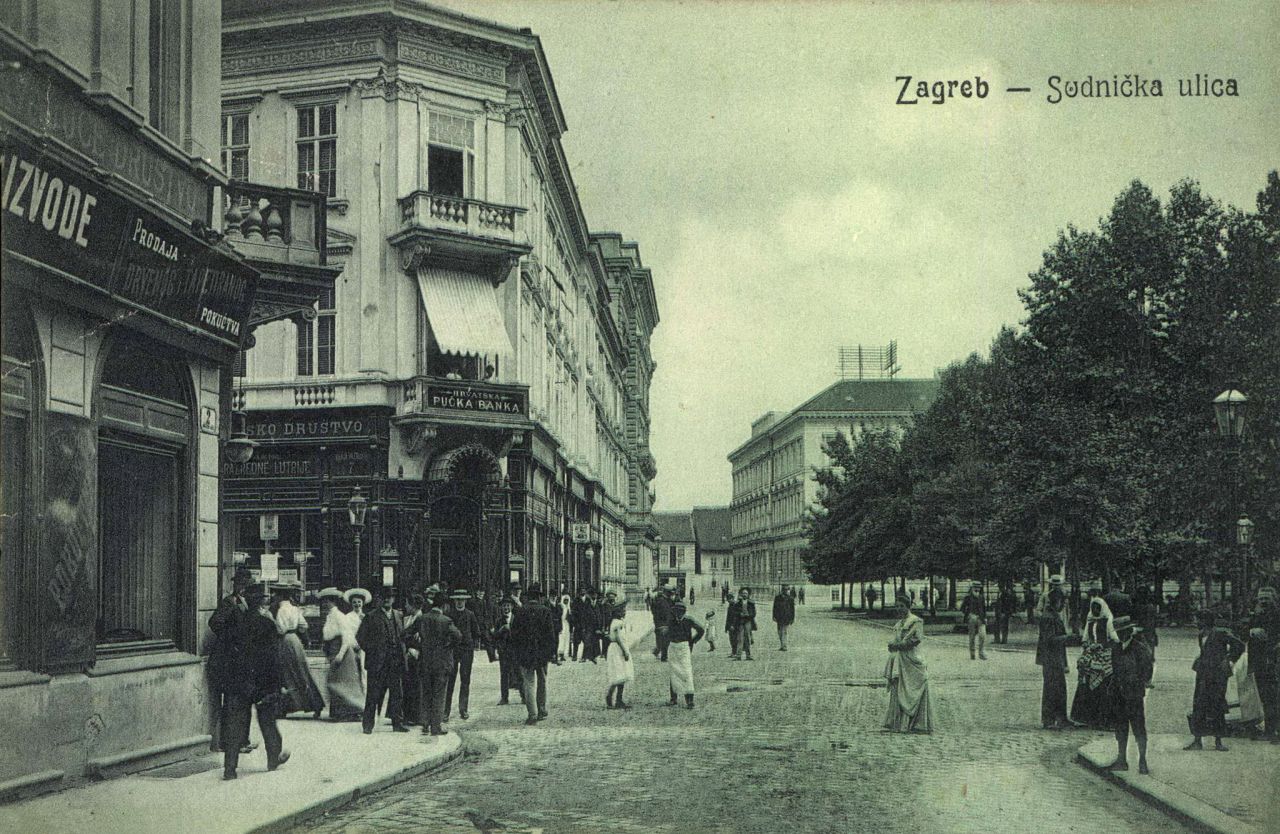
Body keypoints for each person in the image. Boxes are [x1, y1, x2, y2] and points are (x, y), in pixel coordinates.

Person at [214, 586, 289, 779]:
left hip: (238, 681)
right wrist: (278, 683)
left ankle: (229, 769)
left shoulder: (234, 624)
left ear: (247, 602)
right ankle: (273, 759)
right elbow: (274, 658)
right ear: (262, 604)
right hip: (262, 682)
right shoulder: (267, 624)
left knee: (234, 725)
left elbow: (227, 652)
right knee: (267, 722)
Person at [1185, 609, 1245, 751]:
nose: (1196, 622)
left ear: (1205, 620)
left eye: (1198, 619)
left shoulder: (1220, 633)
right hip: (1203, 675)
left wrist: (1229, 660)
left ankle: (1218, 741)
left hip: (1217, 675)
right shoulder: (1201, 635)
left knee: (1217, 706)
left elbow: (1240, 645)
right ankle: (1197, 740)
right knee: (1198, 705)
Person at [208, 574, 254, 755]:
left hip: (241, 659)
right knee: (233, 703)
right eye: (241, 583)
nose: (243, 587)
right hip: (230, 661)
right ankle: (231, 743)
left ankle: (243, 740)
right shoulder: (229, 602)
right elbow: (215, 622)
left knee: (242, 702)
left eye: (245, 584)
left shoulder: (245, 602)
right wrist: (231, 641)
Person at [356, 587, 409, 734]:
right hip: (377, 663)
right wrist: (373, 651)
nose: (387, 599)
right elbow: (360, 637)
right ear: (380, 599)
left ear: (393, 599)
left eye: (390, 597)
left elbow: (402, 636)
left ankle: (397, 724)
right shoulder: (371, 616)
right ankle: (368, 725)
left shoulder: (398, 616)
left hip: (395, 661)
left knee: (397, 694)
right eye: (385, 597)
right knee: (373, 695)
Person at [1107, 616, 1154, 774]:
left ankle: (1142, 760)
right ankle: (1122, 759)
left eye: (1123, 632)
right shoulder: (1116, 648)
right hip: (1119, 694)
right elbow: (1114, 669)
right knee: (1120, 727)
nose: (1120, 635)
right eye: (1118, 633)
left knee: (1139, 728)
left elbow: (1147, 670)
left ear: (1129, 631)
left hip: (1134, 695)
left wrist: (1138, 682)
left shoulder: (1140, 648)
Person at [884, 595, 934, 733]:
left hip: (912, 660)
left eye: (902, 606)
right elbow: (896, 641)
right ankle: (898, 722)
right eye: (897, 606)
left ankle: (916, 723)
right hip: (900, 661)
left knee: (912, 689)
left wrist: (897, 645)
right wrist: (892, 646)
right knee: (899, 687)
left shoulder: (916, 622)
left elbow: (915, 640)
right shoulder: (899, 624)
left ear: (908, 606)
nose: (899, 609)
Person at [510, 582, 558, 726]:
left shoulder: (520, 611)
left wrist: (517, 653)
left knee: (529, 682)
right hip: (541, 653)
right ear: (539, 597)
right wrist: (552, 653)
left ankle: (532, 714)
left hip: (526, 654)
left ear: (528, 596)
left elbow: (514, 634)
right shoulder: (545, 611)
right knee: (542, 680)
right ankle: (542, 709)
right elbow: (551, 635)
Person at [273, 584, 324, 718]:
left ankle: (287, 706)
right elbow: (303, 626)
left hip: (285, 640)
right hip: (295, 640)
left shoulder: (281, 610)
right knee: (302, 671)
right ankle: (315, 704)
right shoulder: (295, 609)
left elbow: (280, 629)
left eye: (276, 594)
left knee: (287, 673)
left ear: (280, 596)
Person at [416, 591, 463, 736]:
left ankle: (425, 724)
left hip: (425, 661)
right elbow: (458, 636)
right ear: (444, 605)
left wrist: (419, 645)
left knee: (426, 693)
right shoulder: (446, 621)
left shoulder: (422, 619)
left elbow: (405, 634)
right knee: (439, 694)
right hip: (442, 663)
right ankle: (436, 726)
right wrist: (448, 646)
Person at [1071, 596, 1118, 729]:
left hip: (1105, 654)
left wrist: (1101, 645)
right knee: (1085, 676)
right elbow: (1085, 638)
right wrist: (1087, 645)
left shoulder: (1108, 620)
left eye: (1098, 608)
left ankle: (1104, 720)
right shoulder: (1090, 621)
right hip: (1092, 653)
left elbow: (1114, 639)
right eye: (1093, 608)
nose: (1095, 610)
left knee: (1104, 680)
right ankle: (1086, 718)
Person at [318, 588, 364, 721]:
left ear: (332, 602)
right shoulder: (330, 616)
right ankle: (339, 712)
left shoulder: (339, 615)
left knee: (343, 682)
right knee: (336, 681)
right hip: (333, 648)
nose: (325, 604)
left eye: (327, 601)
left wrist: (340, 654)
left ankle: (349, 712)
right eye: (324, 602)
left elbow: (346, 637)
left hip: (341, 651)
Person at [1245, 586, 1280, 741]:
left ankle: (1274, 731)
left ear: (1274, 599)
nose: (1264, 602)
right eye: (1261, 598)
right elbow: (1241, 630)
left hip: (1274, 659)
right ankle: (1270, 730)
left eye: (1267, 598)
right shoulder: (1255, 614)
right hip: (1258, 660)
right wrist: (1251, 631)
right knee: (1265, 696)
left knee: (1274, 696)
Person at [445, 589, 482, 721]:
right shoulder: (449, 615)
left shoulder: (470, 615)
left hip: (467, 650)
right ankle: (446, 711)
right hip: (453, 650)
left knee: (465, 680)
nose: (460, 602)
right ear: (454, 601)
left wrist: (473, 643)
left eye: (462, 599)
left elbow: (476, 631)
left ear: (465, 601)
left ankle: (463, 709)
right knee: (450, 680)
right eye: (457, 599)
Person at [1036, 591, 1070, 729]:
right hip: (1051, 658)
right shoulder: (1048, 617)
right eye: (1062, 603)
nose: (1063, 606)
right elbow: (1049, 639)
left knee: (1059, 688)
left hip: (1055, 657)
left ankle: (1060, 717)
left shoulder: (1052, 615)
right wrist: (1067, 638)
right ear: (1057, 602)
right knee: (1051, 688)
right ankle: (1049, 719)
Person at [666, 600, 706, 708]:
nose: (678, 613)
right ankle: (673, 698)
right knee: (673, 672)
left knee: (686, 672)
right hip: (673, 647)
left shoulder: (689, 620)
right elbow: (666, 634)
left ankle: (689, 699)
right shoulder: (671, 621)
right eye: (676, 611)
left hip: (684, 647)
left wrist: (693, 640)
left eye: (680, 611)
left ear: (684, 611)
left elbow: (701, 629)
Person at [401, 593, 426, 725]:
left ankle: (415, 716)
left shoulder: (420, 619)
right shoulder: (411, 617)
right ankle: (411, 715)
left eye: (407, 604)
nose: (405, 606)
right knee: (411, 685)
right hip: (410, 655)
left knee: (415, 686)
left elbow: (405, 634)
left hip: (416, 656)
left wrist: (413, 647)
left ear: (413, 605)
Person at [605, 604, 636, 709]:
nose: (624, 612)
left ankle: (615, 698)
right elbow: (618, 638)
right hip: (617, 649)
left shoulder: (616, 622)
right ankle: (613, 697)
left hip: (616, 648)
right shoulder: (618, 623)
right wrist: (625, 651)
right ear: (617, 612)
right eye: (622, 610)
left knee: (620, 674)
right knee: (620, 673)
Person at [491, 597, 521, 706]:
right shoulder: (498, 621)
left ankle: (523, 696)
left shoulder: (517, 619)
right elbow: (494, 636)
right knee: (504, 674)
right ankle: (504, 698)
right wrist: (502, 629)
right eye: (504, 606)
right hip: (504, 651)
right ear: (501, 608)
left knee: (518, 673)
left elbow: (520, 634)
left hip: (515, 650)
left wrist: (511, 630)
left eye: (508, 606)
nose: (506, 608)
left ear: (512, 607)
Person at [344, 588, 371, 682]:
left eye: (359, 602)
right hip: (352, 647)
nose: (357, 604)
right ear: (351, 604)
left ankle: (364, 694)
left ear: (363, 603)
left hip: (364, 649)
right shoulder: (347, 617)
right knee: (353, 672)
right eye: (354, 602)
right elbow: (347, 633)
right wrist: (354, 645)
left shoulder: (367, 617)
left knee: (364, 672)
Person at [960, 584, 988, 660]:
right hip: (972, 618)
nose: (977, 589)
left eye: (978, 588)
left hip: (981, 619)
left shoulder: (981, 597)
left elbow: (984, 609)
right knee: (972, 636)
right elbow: (962, 608)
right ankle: (972, 653)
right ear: (972, 588)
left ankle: (981, 653)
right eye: (975, 588)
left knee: (982, 635)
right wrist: (968, 614)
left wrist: (985, 617)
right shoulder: (968, 597)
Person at [730, 588, 757, 660]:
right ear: (741, 594)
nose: (744, 595)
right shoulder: (737, 604)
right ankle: (738, 655)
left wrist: (748, 615)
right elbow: (735, 613)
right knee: (740, 639)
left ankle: (748, 655)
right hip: (740, 622)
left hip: (748, 622)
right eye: (743, 593)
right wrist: (740, 614)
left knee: (747, 638)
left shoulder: (751, 603)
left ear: (748, 595)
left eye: (746, 593)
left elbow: (754, 613)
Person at [651, 586, 674, 661]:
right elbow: (656, 612)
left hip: (665, 623)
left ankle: (657, 651)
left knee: (662, 641)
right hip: (661, 623)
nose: (671, 595)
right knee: (665, 641)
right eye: (670, 593)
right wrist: (660, 624)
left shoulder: (668, 600)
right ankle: (664, 657)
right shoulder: (660, 601)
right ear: (667, 592)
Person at [571, 588, 593, 662]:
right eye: (581, 591)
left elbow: (590, 612)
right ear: (579, 592)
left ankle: (584, 657)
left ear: (586, 592)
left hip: (586, 625)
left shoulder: (588, 600)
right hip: (578, 624)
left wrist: (589, 623)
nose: (583, 592)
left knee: (586, 642)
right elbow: (573, 612)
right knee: (576, 641)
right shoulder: (575, 600)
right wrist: (575, 623)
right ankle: (574, 656)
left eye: (584, 591)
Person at [773, 585, 796, 651]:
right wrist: (774, 616)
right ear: (782, 590)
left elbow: (792, 609)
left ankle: (784, 646)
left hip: (787, 617)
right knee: (779, 632)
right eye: (784, 590)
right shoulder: (777, 598)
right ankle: (782, 644)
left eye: (787, 590)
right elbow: (774, 608)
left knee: (784, 631)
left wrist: (792, 618)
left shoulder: (790, 598)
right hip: (779, 617)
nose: (786, 591)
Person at [556, 591, 572, 662]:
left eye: (567, 600)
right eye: (565, 600)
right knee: (561, 639)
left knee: (566, 639)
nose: (566, 601)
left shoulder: (568, 608)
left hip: (566, 624)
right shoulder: (560, 606)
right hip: (561, 623)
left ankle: (563, 654)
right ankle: (559, 654)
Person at [725, 593, 741, 657]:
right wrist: (726, 627)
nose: (727, 600)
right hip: (730, 626)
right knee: (731, 639)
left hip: (734, 626)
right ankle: (733, 652)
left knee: (734, 639)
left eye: (729, 599)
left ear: (732, 598)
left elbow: (735, 617)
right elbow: (728, 617)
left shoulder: (734, 605)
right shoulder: (730, 605)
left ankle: (735, 652)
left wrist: (733, 625)